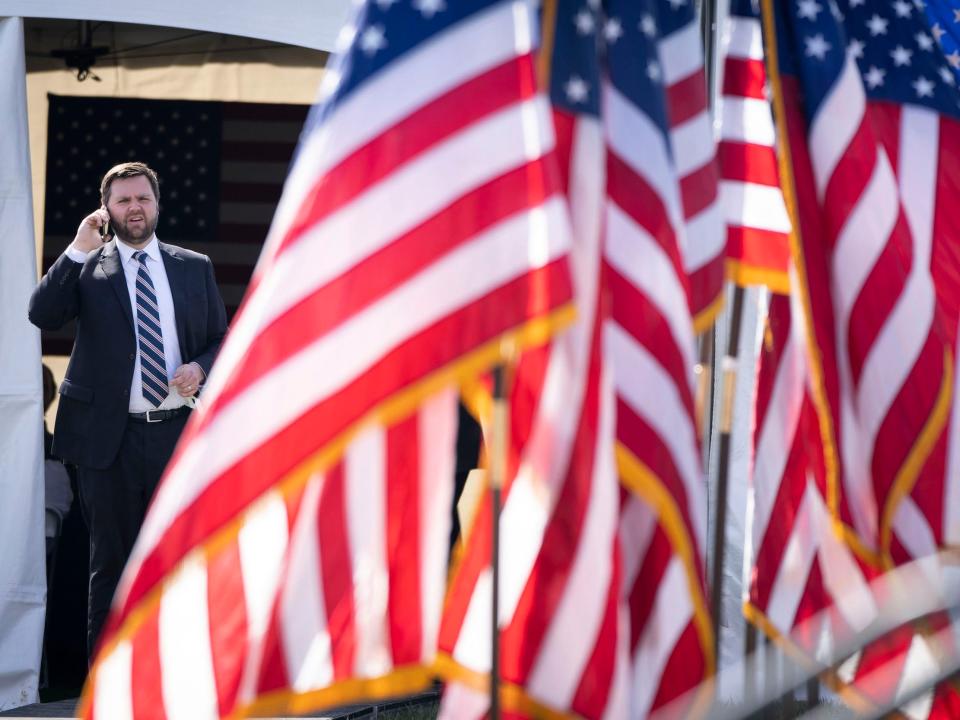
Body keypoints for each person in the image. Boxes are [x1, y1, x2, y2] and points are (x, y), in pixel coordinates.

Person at [28, 162, 228, 659]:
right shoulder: (88, 266)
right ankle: (106, 692)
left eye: (142, 198)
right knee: (110, 565)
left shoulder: (192, 266)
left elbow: (222, 341)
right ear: (106, 209)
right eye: (123, 200)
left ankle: (174, 681)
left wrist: (200, 369)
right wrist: (77, 248)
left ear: (157, 204)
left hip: (174, 435)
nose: (134, 208)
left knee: (177, 560)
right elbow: (42, 314)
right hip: (106, 442)